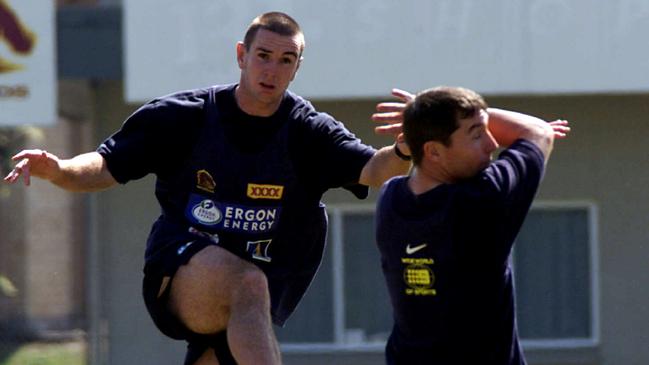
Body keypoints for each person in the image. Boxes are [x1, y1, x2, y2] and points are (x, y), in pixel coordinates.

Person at [3, 12, 411, 365]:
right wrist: (58, 169)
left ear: (297, 67)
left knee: (243, 307)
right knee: (247, 284)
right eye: (263, 56)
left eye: (285, 60)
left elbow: (377, 169)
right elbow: (104, 166)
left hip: (259, 293)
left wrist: (406, 146)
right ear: (241, 56)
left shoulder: (308, 132)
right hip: (182, 271)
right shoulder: (184, 117)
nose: (271, 70)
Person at [374, 86, 570, 364]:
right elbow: (537, 132)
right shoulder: (482, 199)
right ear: (434, 152)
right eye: (478, 134)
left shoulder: (390, 199)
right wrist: (424, 110)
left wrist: (426, 116)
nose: (492, 144)